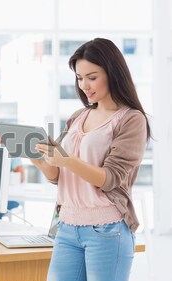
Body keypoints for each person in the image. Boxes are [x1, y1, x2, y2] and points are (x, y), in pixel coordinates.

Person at [30, 38, 151, 281]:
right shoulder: (78, 116)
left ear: (113, 73)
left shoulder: (131, 120)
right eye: (79, 77)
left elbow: (111, 179)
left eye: (92, 77)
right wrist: (40, 160)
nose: (84, 84)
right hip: (66, 227)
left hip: (107, 230)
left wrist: (67, 160)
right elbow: (58, 176)